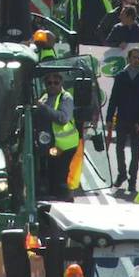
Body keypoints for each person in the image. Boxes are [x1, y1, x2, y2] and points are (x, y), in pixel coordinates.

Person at [107, 46, 139, 195]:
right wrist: (109, 118)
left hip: (136, 120)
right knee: (119, 148)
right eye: (134, 57)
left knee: (135, 150)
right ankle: (122, 173)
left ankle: (132, 180)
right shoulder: (121, 75)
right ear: (129, 58)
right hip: (122, 118)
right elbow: (114, 98)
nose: (136, 60)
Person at [32, 68, 80, 197]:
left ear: (61, 83)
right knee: (46, 175)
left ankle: (63, 200)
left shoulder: (66, 98)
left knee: (59, 178)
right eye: (49, 83)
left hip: (64, 146)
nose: (52, 85)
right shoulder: (45, 96)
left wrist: (42, 107)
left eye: (56, 82)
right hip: (48, 144)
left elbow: (63, 118)